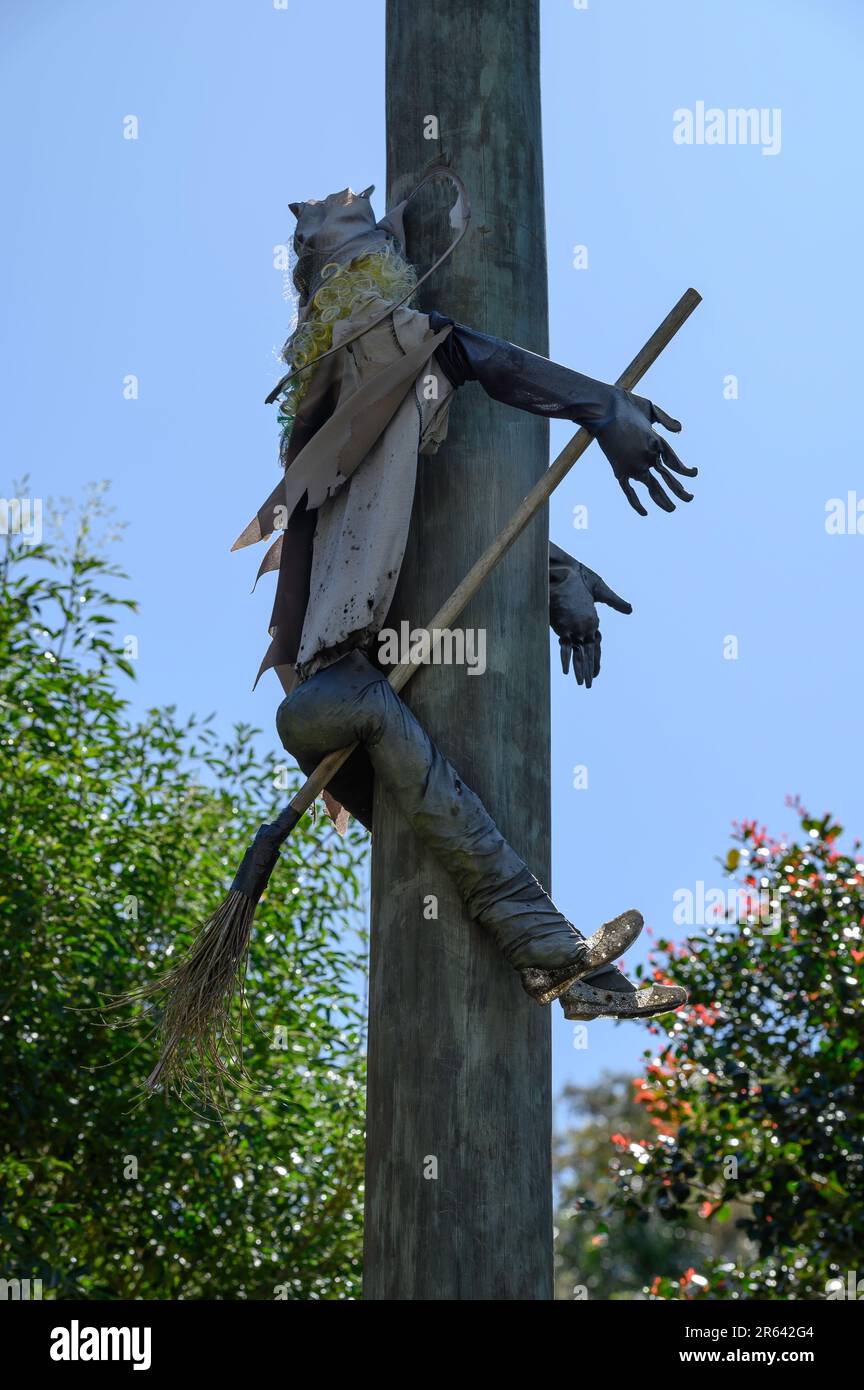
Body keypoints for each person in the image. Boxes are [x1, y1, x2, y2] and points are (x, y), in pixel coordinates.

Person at [236, 182, 695, 1021]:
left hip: (342, 708)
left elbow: (422, 526)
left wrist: (552, 570)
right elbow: (467, 353)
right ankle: (554, 953)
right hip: (335, 699)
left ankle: (575, 979)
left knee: (454, 845)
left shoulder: (357, 428)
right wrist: (600, 406)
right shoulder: (365, 368)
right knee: (455, 830)